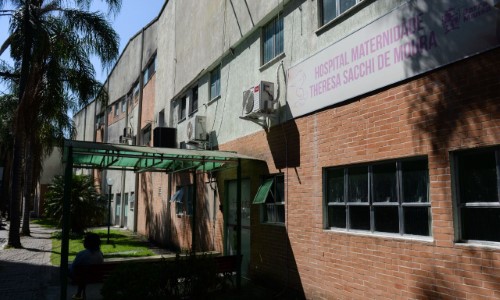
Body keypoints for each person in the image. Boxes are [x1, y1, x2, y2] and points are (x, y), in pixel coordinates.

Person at [69, 233, 104, 300]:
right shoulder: (100, 254)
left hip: (80, 277)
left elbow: (74, 267)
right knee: (83, 274)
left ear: (87, 243)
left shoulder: (82, 254)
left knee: (76, 272)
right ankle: (79, 294)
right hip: (95, 277)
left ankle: (78, 294)